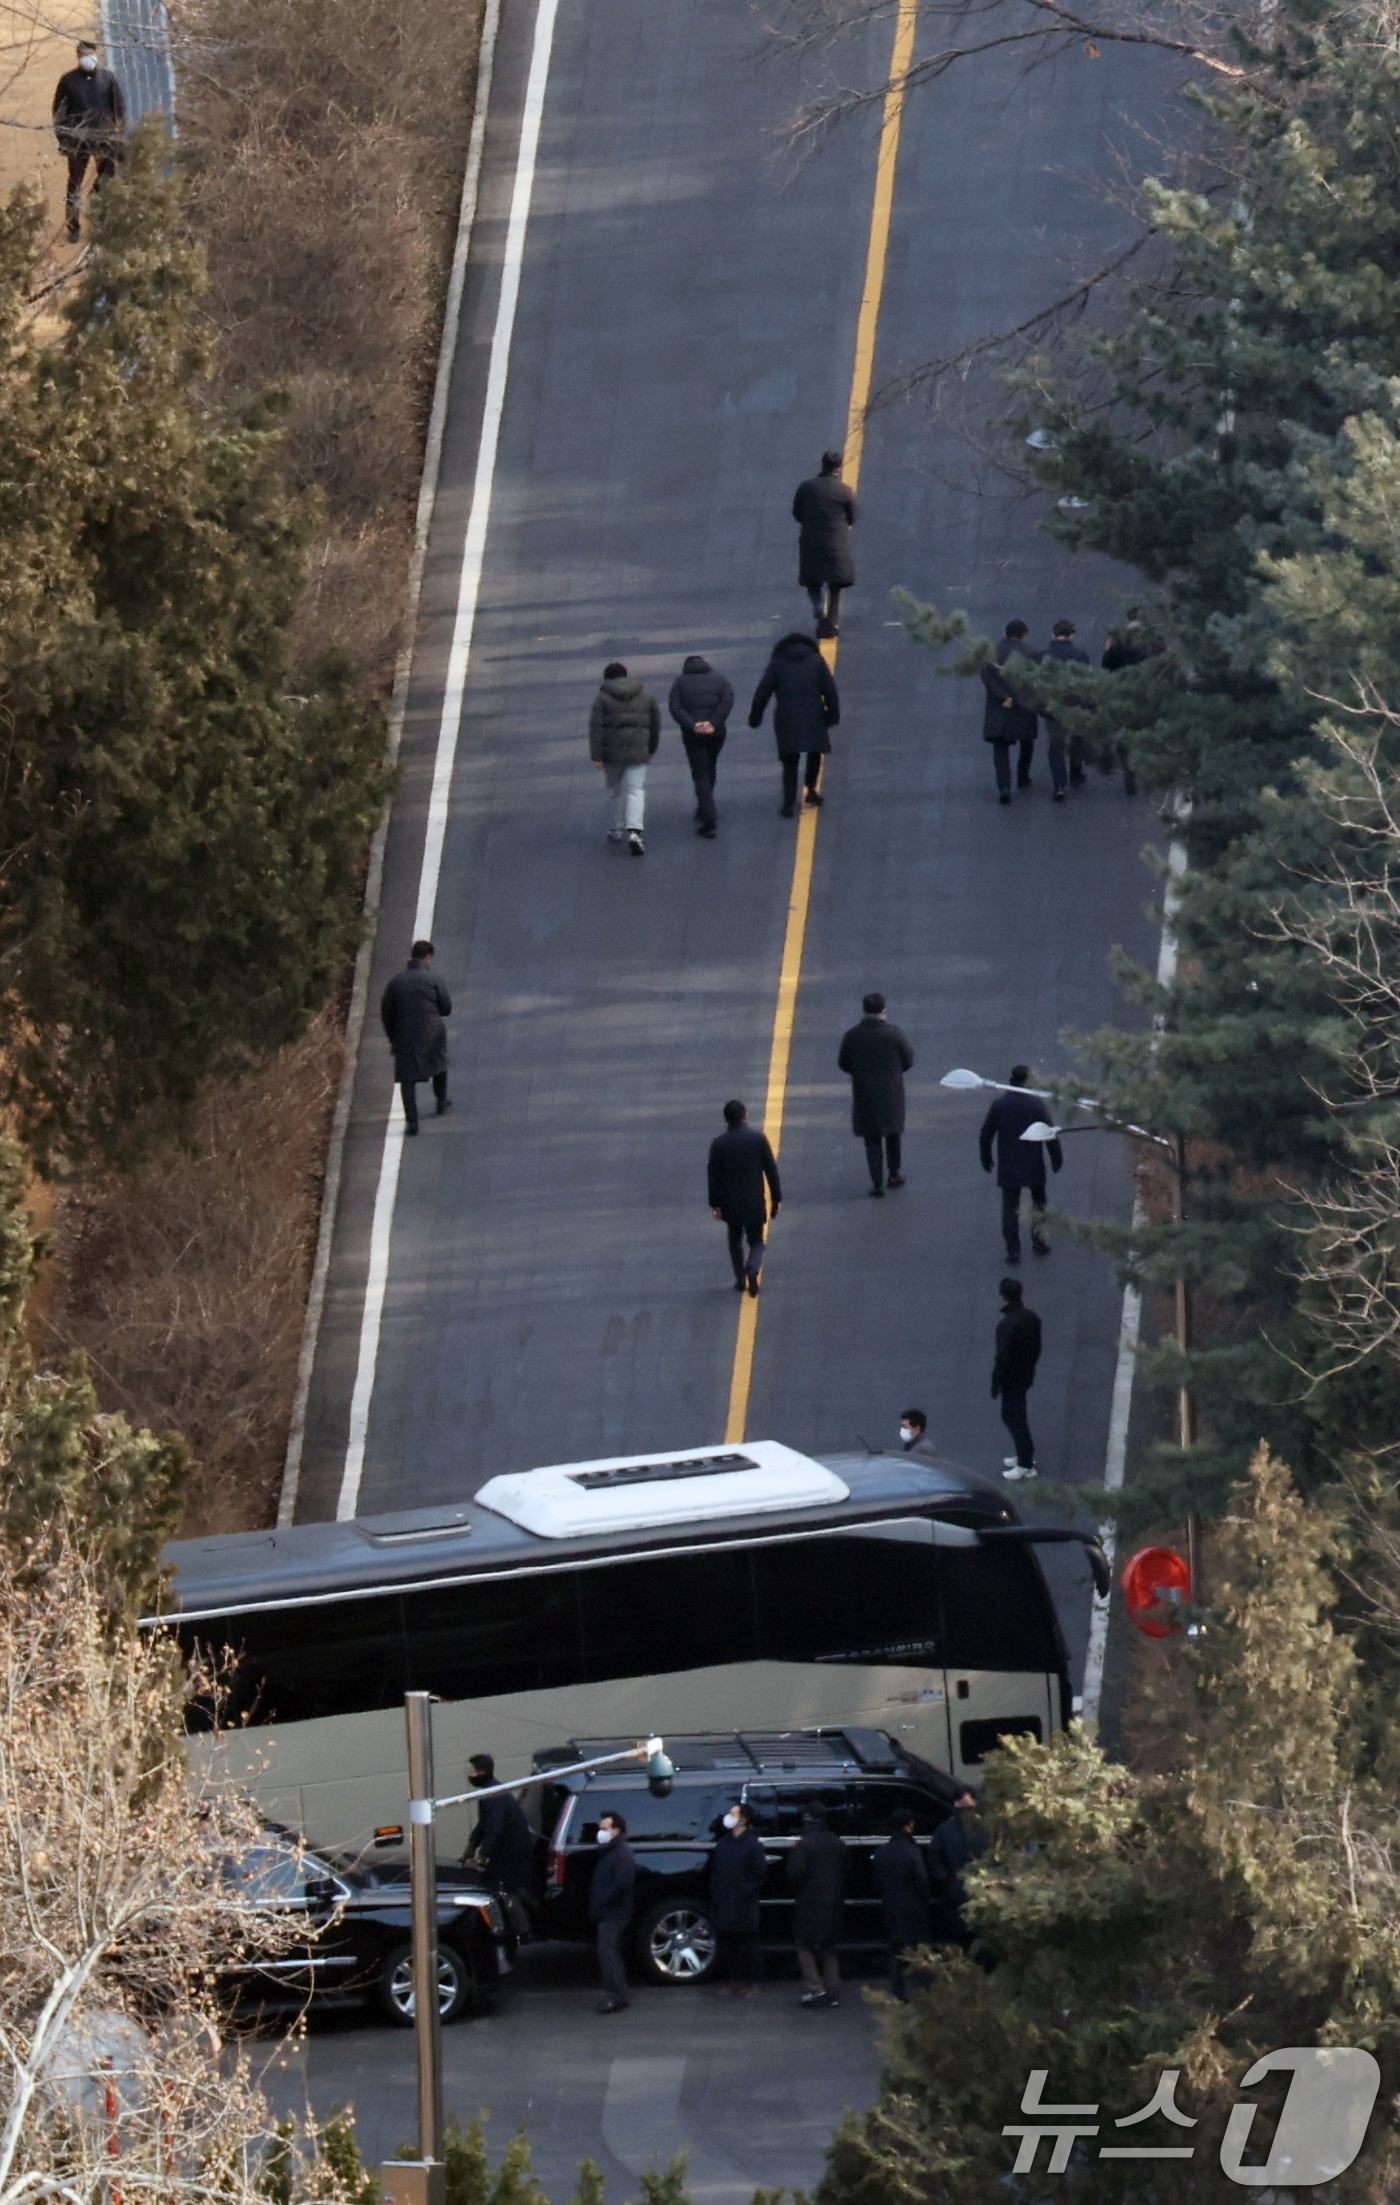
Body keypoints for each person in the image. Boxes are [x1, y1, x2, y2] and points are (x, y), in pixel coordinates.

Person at [748, 633, 840, 816]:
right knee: (815, 752)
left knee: (790, 761)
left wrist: (755, 717)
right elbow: (830, 691)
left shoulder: (777, 664)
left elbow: (763, 692)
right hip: (814, 715)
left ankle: (789, 803)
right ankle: (811, 790)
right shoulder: (816, 662)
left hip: (786, 717)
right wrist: (832, 715)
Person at [979, 1065, 1062, 1260]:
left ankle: (1013, 1249)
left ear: (1011, 1081)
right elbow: (1049, 1134)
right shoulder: (1036, 1105)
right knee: (1039, 1203)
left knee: (1010, 1207)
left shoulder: (999, 1106)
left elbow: (986, 1135)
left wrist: (986, 1158)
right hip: (1033, 1162)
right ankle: (1039, 1241)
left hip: (1009, 1164)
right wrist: (1056, 1159)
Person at [837, 992, 914, 1196]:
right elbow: (908, 1060)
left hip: (865, 1094)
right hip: (891, 1094)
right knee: (893, 1134)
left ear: (863, 1010)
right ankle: (894, 1173)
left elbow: (843, 1063)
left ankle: (877, 1182)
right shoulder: (894, 1034)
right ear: (883, 1010)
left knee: (871, 1140)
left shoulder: (852, 1036)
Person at [52, 41, 124, 243]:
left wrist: (117, 136)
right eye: (84, 55)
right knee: (75, 183)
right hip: (77, 140)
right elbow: (58, 113)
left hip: (103, 138)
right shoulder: (68, 81)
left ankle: (102, 214)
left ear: (96, 55)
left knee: (108, 177)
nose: (88, 59)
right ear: (78, 57)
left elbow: (119, 108)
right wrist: (64, 139)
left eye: (90, 54)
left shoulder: (108, 79)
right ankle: (73, 226)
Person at [708, 1100, 781, 1295]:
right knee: (756, 1241)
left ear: (726, 1119)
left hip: (730, 1202)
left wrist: (715, 1203)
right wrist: (776, 1199)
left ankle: (740, 1279)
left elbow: (713, 1176)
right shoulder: (757, 1139)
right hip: (753, 1201)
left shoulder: (719, 1144)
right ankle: (753, 1266)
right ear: (745, 1116)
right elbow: (771, 1171)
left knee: (734, 1240)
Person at [380, 941, 451, 1136]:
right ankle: (441, 1100)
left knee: (407, 1079)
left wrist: (393, 1037)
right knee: (439, 1063)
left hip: (405, 1034)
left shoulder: (396, 982)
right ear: (428, 957)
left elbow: (386, 1013)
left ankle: (412, 1121)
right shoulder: (434, 978)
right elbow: (446, 1008)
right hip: (432, 1031)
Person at [589, 661, 660, 855]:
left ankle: (616, 828)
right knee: (635, 791)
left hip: (612, 755)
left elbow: (596, 728)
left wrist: (597, 756)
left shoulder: (602, 699)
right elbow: (655, 723)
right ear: (626, 675)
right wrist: (651, 748)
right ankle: (635, 830)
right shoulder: (645, 695)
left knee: (614, 791)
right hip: (638, 752)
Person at [466, 1754, 537, 1931]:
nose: (469, 1774)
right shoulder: (493, 1791)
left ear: (481, 1772)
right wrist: (471, 1846)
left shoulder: (493, 1796)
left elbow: (493, 1828)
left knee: (507, 1891)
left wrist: (483, 1855)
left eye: (472, 1770)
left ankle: (521, 1930)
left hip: (510, 1855)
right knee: (510, 1890)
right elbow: (483, 1824)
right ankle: (522, 1926)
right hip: (512, 1852)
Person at [786, 1803, 847, 2007]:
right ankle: (833, 1990)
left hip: (808, 1902)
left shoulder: (804, 1845)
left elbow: (794, 1875)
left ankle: (814, 1988)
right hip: (834, 1901)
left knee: (804, 1945)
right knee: (829, 1947)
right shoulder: (837, 1842)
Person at [791, 450, 857, 637]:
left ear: (822, 465)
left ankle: (818, 608)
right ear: (839, 468)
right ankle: (832, 622)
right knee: (836, 584)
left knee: (813, 581)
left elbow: (797, 512)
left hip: (811, 540)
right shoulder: (844, 491)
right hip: (836, 542)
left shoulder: (806, 487)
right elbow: (853, 516)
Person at [668, 655, 734, 838]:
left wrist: (693, 725)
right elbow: (727, 701)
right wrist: (713, 722)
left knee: (699, 773)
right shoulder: (719, 679)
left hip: (693, 735)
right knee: (710, 766)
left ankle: (708, 816)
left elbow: (675, 707)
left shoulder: (680, 682)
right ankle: (705, 805)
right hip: (716, 732)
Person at [709, 1800, 767, 1995]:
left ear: (743, 1819)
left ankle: (753, 1983)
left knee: (748, 1945)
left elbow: (759, 1873)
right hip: (725, 1901)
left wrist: (745, 1891)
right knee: (728, 1945)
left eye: (733, 1814)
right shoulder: (724, 1843)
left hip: (744, 1903)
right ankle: (734, 1981)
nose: (728, 1817)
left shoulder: (752, 1844)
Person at [872, 1808, 931, 2000]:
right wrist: (925, 1899)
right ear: (910, 1824)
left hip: (891, 1905)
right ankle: (923, 1989)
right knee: (918, 1948)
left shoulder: (881, 1852)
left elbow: (878, 1880)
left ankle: (898, 1991)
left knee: (895, 1950)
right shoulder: (912, 1851)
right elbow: (922, 1880)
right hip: (914, 1905)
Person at [980, 621, 1039, 804]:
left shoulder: (992, 653)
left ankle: (1004, 786)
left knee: (1001, 748)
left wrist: (1003, 696)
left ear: (1005, 634)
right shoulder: (1031, 653)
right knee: (1027, 741)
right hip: (1024, 705)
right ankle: (1023, 776)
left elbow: (986, 676)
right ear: (1024, 634)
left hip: (1000, 707)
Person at [1100, 609, 1158, 792]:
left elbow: (1107, 665)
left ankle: (1129, 775)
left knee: (1125, 734)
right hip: (1146, 693)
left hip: (1123, 692)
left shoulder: (1119, 641)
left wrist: (1108, 650)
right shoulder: (1152, 641)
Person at [992, 1277, 1041, 1480]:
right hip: (1025, 1373)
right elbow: (1037, 1348)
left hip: (1011, 1379)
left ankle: (1025, 1464)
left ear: (1003, 1297)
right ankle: (1024, 1454)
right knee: (1017, 1414)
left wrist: (996, 1382)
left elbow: (1002, 1358)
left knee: (1013, 1417)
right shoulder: (1032, 1318)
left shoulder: (1006, 1325)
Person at [589, 1810, 636, 2013]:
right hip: (609, 1911)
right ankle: (617, 1994)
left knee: (608, 1953)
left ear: (616, 1830)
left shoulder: (620, 1853)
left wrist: (603, 1901)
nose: (601, 1832)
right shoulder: (610, 1852)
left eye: (605, 1829)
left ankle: (616, 1997)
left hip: (614, 1913)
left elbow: (623, 1882)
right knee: (609, 1952)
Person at [927, 1789, 986, 1948]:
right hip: (957, 1895)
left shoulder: (986, 1828)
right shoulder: (945, 1830)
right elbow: (934, 1858)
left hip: (983, 1893)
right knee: (961, 1940)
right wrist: (948, 1881)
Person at [1040, 619, 1091, 801]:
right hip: (1074, 704)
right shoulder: (1079, 654)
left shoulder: (1044, 655)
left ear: (1053, 635)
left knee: (1056, 746)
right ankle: (1076, 772)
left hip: (1053, 706)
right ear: (1072, 636)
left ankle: (1059, 784)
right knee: (1077, 738)